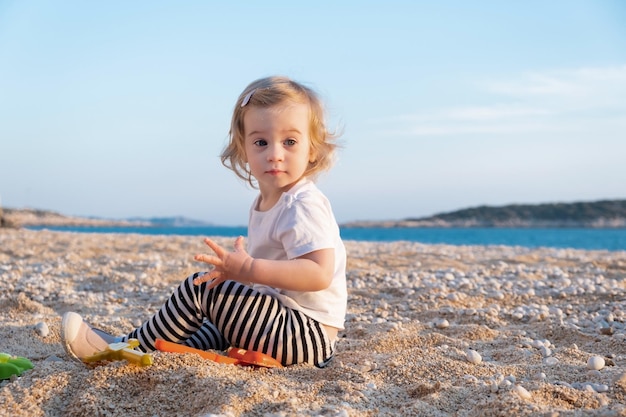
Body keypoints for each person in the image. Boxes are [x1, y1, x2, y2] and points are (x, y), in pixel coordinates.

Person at [61, 76, 347, 367]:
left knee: (200, 289)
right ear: (243, 149)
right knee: (209, 326)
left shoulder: (302, 204)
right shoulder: (266, 202)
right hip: (284, 326)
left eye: (290, 142)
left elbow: (318, 274)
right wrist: (245, 276)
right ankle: (154, 350)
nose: (274, 154)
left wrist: (250, 269)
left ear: (311, 149)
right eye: (261, 142)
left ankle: (126, 347)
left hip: (306, 336)